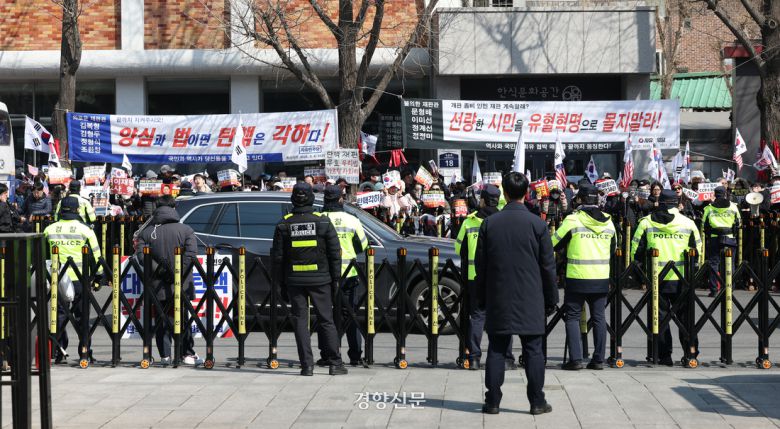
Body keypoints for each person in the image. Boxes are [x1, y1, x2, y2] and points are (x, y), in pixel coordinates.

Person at [475, 172, 557, 415]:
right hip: (531, 296)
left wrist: (481, 297)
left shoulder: (489, 223)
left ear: (505, 194)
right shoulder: (538, 224)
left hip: (499, 294)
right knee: (533, 350)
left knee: (497, 348)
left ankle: (492, 401)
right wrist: (551, 298)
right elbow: (548, 267)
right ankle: (537, 401)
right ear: (526, 194)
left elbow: (481, 265)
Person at [271, 183, 348, 376]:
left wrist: (280, 283)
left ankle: (307, 366)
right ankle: (335, 363)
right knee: (326, 320)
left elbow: (278, 258)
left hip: (295, 281)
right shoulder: (322, 222)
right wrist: (336, 279)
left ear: (293, 199)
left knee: (300, 322)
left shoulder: (284, 224)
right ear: (312, 198)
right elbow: (335, 254)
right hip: (321, 280)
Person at [631, 189, 702, 366]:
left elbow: (636, 252)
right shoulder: (687, 223)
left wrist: (641, 278)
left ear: (659, 202)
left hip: (656, 278)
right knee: (686, 318)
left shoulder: (646, 223)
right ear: (676, 202)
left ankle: (664, 356)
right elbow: (697, 251)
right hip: (682, 278)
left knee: (659, 317)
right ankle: (691, 353)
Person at [551, 184, 616, 370]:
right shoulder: (609, 222)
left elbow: (552, 243)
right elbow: (614, 250)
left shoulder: (573, 220)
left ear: (579, 200)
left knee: (572, 317)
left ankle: (576, 359)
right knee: (599, 318)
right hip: (601, 278)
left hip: (577, 277)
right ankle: (598, 360)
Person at [135, 195, 201, 366]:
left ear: (157, 208)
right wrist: (176, 272)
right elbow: (191, 254)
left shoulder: (147, 232)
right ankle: (186, 353)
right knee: (182, 318)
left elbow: (142, 256)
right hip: (181, 283)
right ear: (173, 208)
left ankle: (165, 355)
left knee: (160, 320)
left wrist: (160, 270)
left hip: (156, 284)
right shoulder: (186, 230)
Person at [44, 196, 103, 363]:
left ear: (61, 209)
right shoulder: (86, 230)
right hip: (80, 279)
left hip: (59, 278)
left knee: (59, 316)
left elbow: (45, 256)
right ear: (78, 210)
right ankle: (85, 351)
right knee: (82, 317)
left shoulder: (50, 229)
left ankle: (58, 351)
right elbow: (96, 255)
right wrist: (98, 276)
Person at [455, 184, 501, 370]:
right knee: (500, 316)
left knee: (477, 316)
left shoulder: (469, 221)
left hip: (475, 277)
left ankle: (473, 357)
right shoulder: (502, 220)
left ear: (482, 200)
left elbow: (459, 249)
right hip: (498, 277)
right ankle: (503, 357)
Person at [321, 185, 368, 366]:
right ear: (340, 200)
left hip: (325, 274)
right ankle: (355, 355)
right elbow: (362, 245)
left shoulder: (320, 219)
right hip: (349, 274)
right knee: (351, 316)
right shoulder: (351, 219)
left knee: (326, 315)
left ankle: (328, 354)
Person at [702, 186, 740, 297]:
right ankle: (729, 288)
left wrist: (709, 235)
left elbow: (704, 224)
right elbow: (738, 223)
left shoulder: (709, 208)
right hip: (729, 237)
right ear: (725, 194)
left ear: (715, 194)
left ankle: (714, 290)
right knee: (730, 263)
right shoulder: (733, 206)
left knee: (714, 264)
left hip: (714, 238)